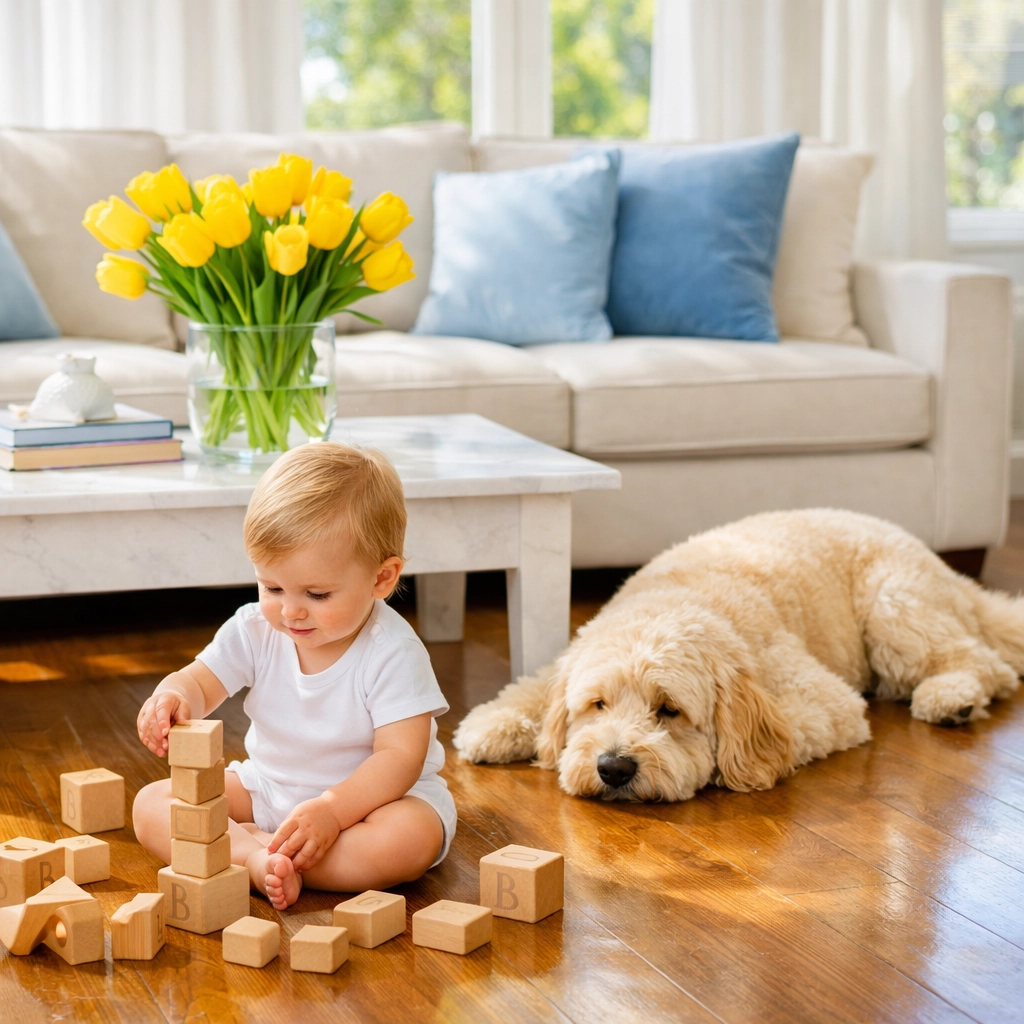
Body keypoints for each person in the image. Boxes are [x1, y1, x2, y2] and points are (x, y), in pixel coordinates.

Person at [133, 442, 456, 909]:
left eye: (318, 593)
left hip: (370, 807)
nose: (290, 611)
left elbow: (400, 759)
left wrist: (330, 811)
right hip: (267, 789)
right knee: (150, 806)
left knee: (409, 840)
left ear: (382, 578)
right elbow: (202, 680)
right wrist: (174, 695)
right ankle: (258, 857)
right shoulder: (256, 628)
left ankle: (253, 853)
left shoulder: (393, 652)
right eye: (273, 586)